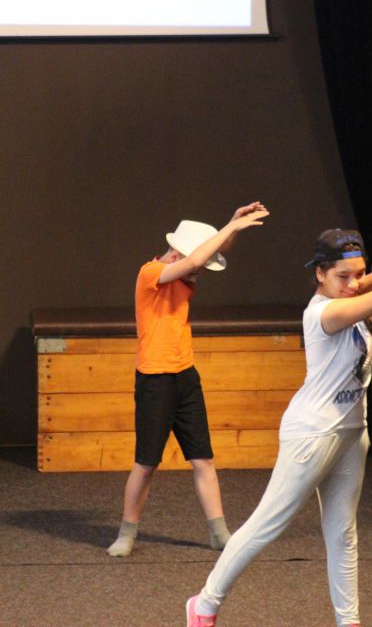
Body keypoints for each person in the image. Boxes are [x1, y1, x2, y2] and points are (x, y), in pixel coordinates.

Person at [185, 212, 372, 627]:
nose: (353, 283)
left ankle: (348, 621)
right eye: (342, 276)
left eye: (359, 274)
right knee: (268, 525)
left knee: (342, 532)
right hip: (312, 433)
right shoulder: (324, 313)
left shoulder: (350, 292)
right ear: (320, 274)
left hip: (351, 432)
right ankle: (204, 604)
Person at [107, 202, 269, 558]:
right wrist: (232, 229)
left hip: (185, 375)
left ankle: (219, 533)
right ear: (178, 253)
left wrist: (232, 222)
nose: (201, 273)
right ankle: (126, 533)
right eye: (198, 265)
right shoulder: (150, 272)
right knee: (146, 463)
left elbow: (204, 255)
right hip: (154, 380)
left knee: (203, 459)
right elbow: (196, 260)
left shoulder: (184, 273)